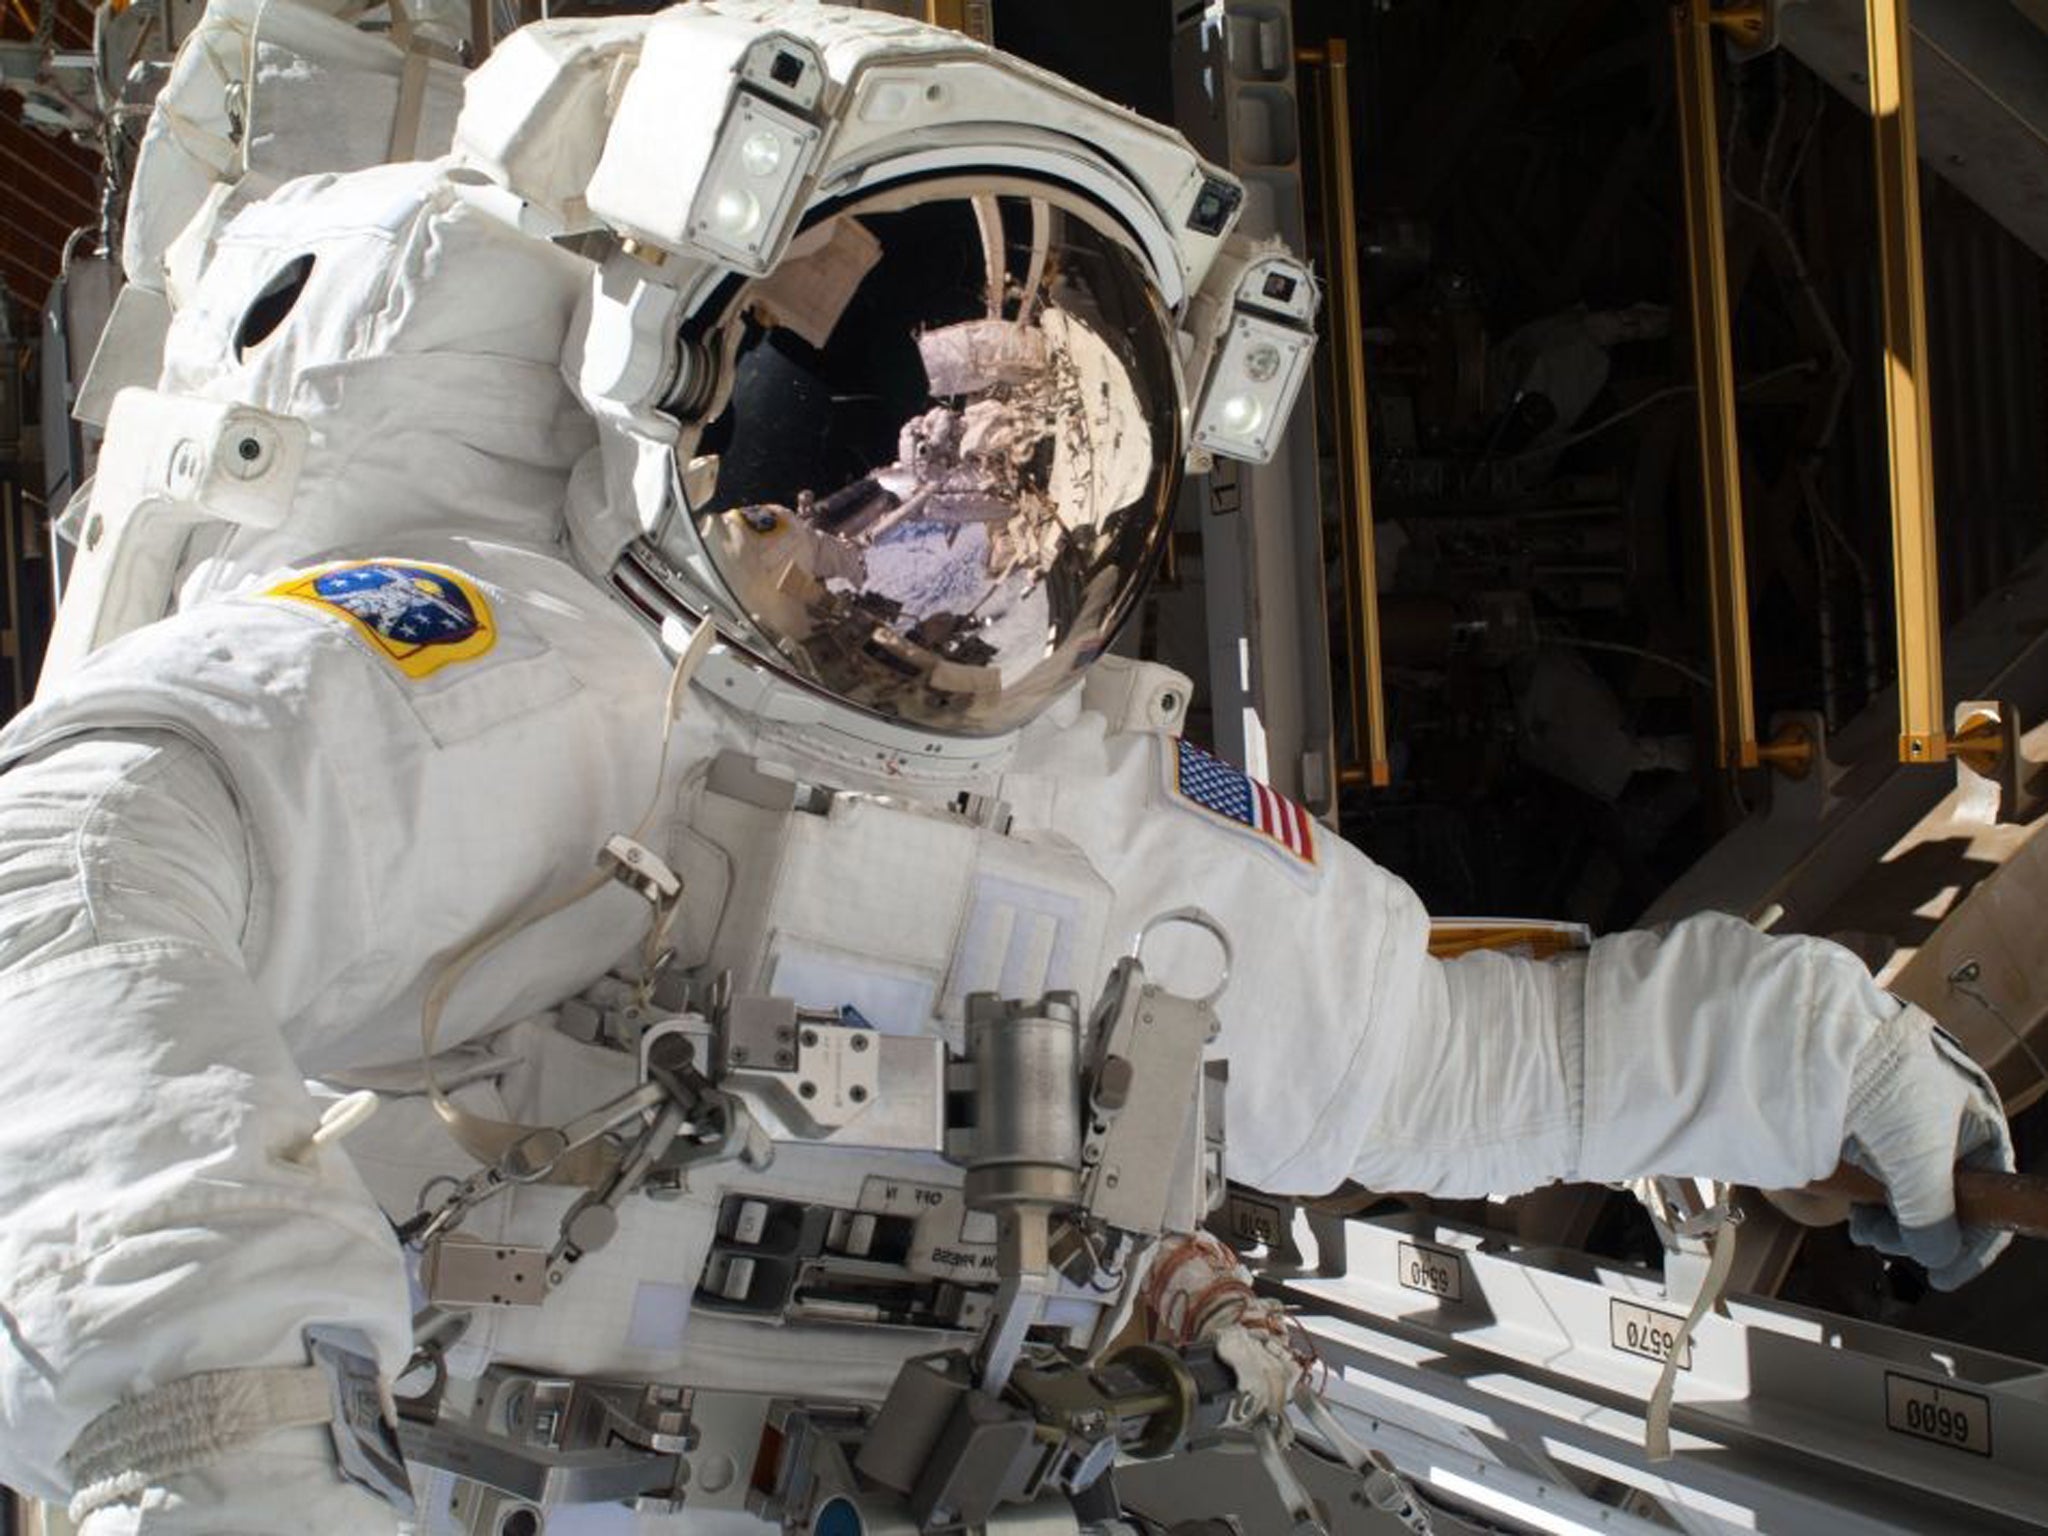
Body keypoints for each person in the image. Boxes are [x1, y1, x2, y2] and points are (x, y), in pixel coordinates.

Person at [0, 4, 2011, 1531]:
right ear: (676, 391)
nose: (959, 535)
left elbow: (1469, 1066)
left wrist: (1822, 1062)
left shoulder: (1111, 821)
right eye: (875, 446)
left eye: (1043, 464)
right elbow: (84, 864)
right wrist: (214, 1398)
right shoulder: (527, 682)